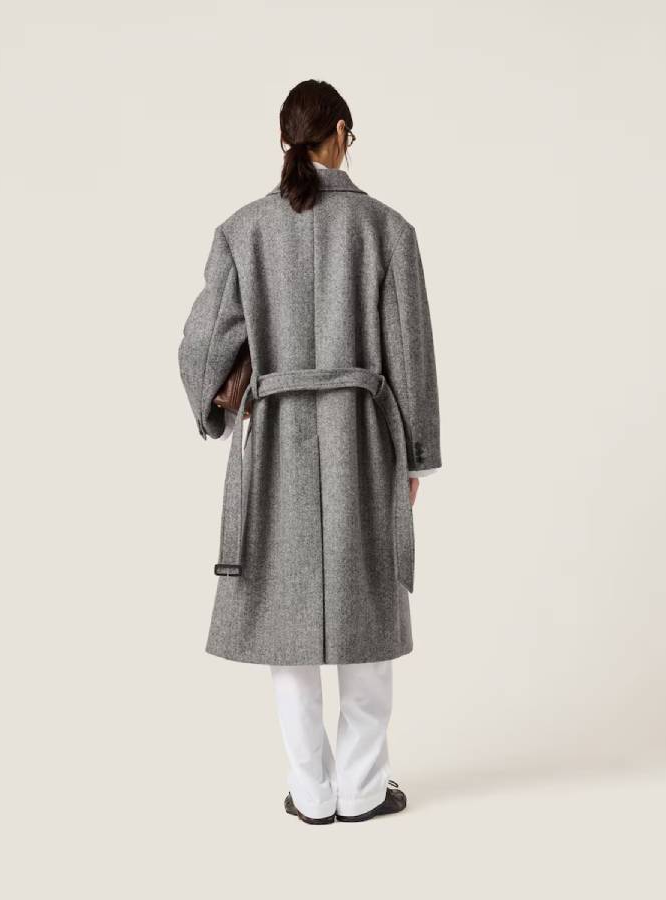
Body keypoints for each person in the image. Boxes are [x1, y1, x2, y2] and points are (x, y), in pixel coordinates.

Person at [178, 79, 442, 824]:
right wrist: (415, 454)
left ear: (284, 141)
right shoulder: (388, 229)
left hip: (278, 443)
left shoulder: (242, 230)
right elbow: (411, 353)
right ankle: (364, 789)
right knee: (368, 613)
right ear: (344, 133)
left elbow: (202, 344)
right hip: (364, 435)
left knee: (285, 619)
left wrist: (220, 400)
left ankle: (311, 792)